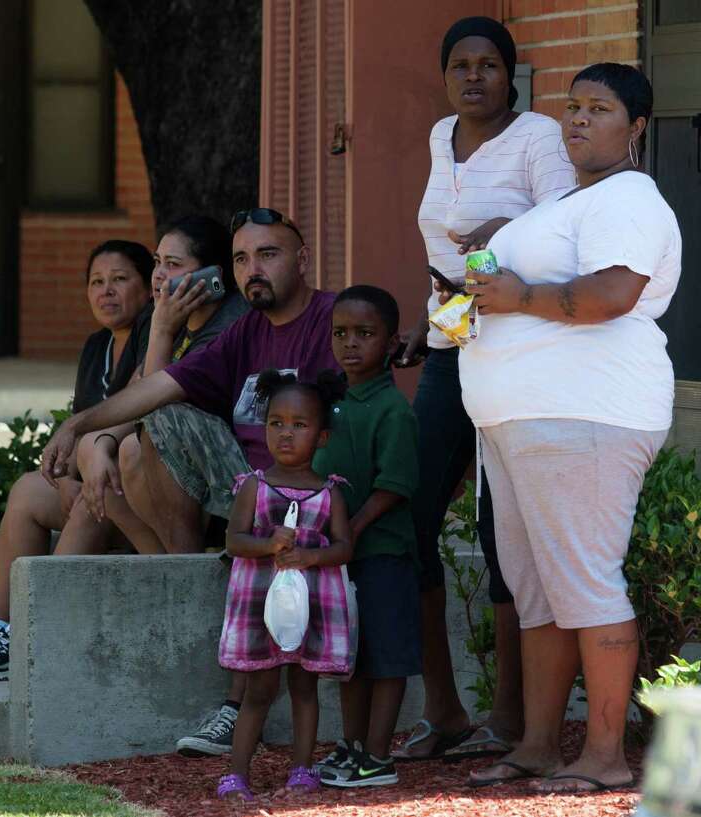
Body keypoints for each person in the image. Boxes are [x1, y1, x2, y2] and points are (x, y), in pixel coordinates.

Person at [42, 208, 339, 753]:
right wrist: (80, 425)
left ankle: (234, 707)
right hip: (247, 484)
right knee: (167, 412)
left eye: (268, 255)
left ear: (301, 260)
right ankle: (190, 567)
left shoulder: (330, 317)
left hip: (313, 487)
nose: (254, 269)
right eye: (243, 258)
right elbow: (158, 389)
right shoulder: (245, 331)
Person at [460, 63, 679, 792]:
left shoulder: (629, 196)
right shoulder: (565, 200)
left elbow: (614, 292)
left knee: (585, 581)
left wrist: (518, 296)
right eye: (573, 107)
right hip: (521, 421)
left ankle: (607, 755)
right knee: (540, 593)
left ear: (636, 127)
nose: (579, 119)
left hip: (588, 415)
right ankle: (538, 745)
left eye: (601, 108)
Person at [394, 15, 577, 761]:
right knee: (405, 516)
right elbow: (441, 245)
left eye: (489, 64)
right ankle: (444, 709)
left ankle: (509, 717)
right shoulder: (442, 137)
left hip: (518, 353)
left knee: (506, 533)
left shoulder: (536, 138)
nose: (474, 76)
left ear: (512, 74)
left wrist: (510, 223)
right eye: (461, 65)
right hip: (450, 349)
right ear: (445, 77)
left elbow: (569, 228)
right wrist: (426, 316)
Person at [0, 240, 162, 681]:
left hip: (137, 489)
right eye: (96, 282)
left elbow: (137, 415)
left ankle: (29, 636)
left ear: (148, 287)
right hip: (96, 480)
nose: (106, 291)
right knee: (28, 490)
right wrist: (66, 479)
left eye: (120, 279)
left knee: (98, 496)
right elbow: (80, 427)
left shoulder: (154, 336)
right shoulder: (97, 347)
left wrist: (86, 475)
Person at [73, 215, 251, 757]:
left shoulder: (226, 324)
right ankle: (172, 575)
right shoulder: (165, 319)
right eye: (156, 262)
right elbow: (129, 408)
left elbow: (157, 399)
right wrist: (95, 444)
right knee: (114, 454)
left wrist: (165, 330)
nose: (158, 276)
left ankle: (182, 570)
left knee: (142, 435)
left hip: (238, 479)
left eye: (173, 265)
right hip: (185, 472)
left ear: (213, 277)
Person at [215, 370, 354, 802]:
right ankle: (236, 774)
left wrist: (312, 556)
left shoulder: (330, 494)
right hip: (261, 604)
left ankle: (302, 769)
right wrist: (267, 544)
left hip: (310, 606)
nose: (286, 434)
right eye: (276, 423)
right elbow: (233, 541)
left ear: (322, 437)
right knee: (259, 688)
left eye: (299, 424)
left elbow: (345, 547)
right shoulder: (253, 487)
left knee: (304, 686)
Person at [310, 286, 421, 789]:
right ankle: (351, 746)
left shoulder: (393, 410)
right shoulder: (331, 403)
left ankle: (378, 756)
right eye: (340, 333)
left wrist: (349, 531)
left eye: (365, 334)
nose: (350, 344)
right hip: (341, 557)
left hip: (382, 554)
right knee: (349, 657)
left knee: (386, 656)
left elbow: (394, 486)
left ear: (391, 341)